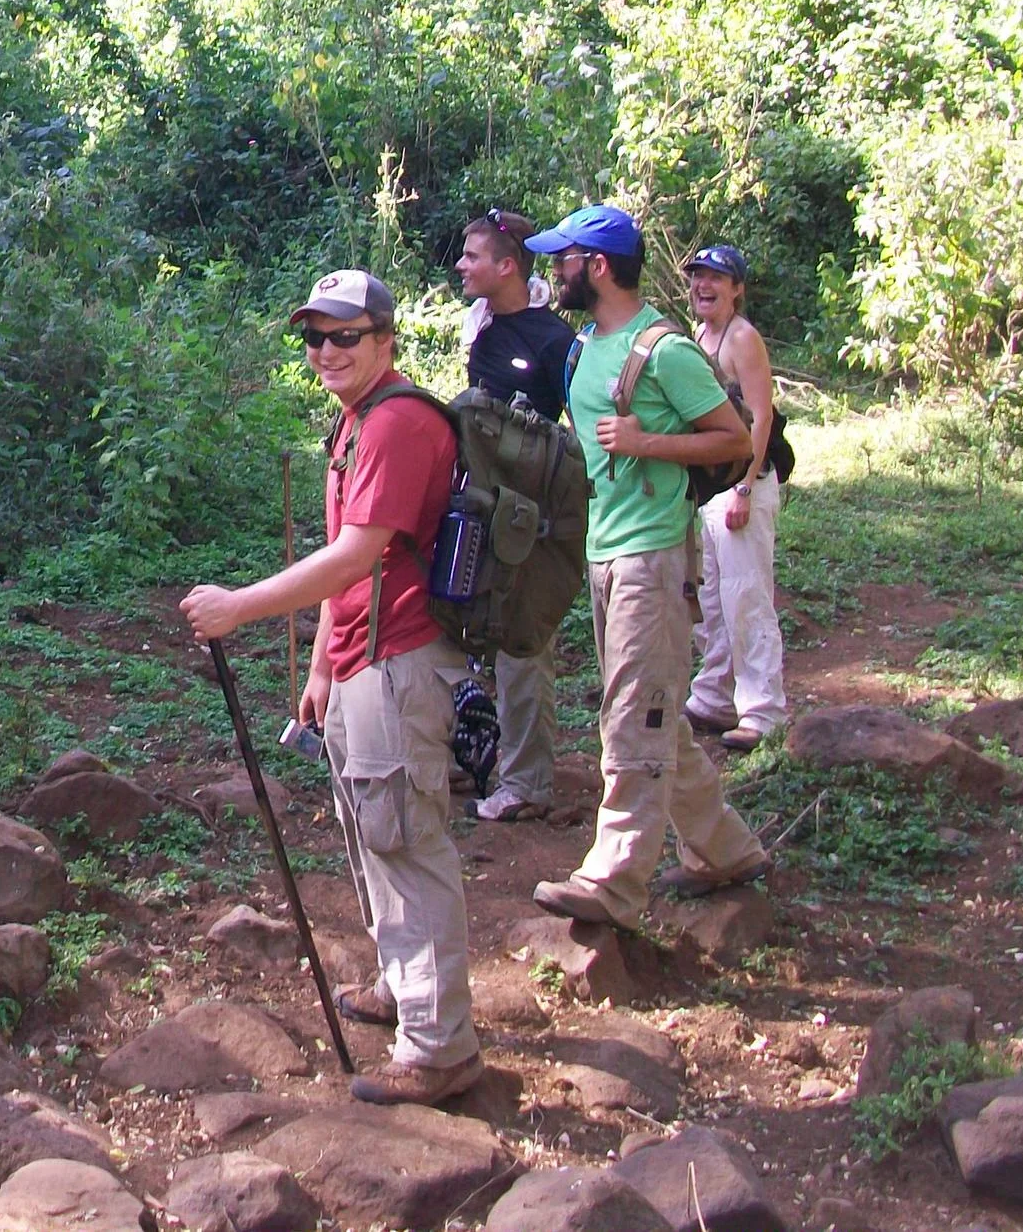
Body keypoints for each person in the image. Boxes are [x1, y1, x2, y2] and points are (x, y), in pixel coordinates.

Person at [180, 270, 483, 1108]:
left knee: (408, 843)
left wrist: (241, 606)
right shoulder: (356, 420)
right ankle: (404, 988)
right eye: (314, 337)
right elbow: (360, 571)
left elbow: (357, 554)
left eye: (344, 335)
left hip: (400, 662)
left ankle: (440, 1046)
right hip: (358, 658)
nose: (326, 352)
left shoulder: (396, 424)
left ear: (385, 339)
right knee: (372, 835)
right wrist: (320, 663)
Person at [525, 206, 769, 929]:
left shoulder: (664, 349)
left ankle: (615, 878)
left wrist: (645, 441)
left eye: (562, 259)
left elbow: (736, 436)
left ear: (596, 266)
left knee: (633, 714)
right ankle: (726, 849)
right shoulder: (583, 348)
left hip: (652, 558)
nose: (553, 272)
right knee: (655, 706)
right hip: (603, 552)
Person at [455, 211, 578, 825]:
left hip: (532, 519)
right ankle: (475, 754)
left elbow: (578, 438)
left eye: (473, 256)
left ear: (508, 266)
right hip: (481, 509)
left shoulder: (555, 341)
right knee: (470, 626)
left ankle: (527, 782)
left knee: (524, 643)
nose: (461, 265)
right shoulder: (482, 331)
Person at [682, 244, 787, 750]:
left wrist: (745, 485)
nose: (704, 285)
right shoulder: (699, 335)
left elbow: (762, 416)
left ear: (737, 288)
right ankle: (714, 696)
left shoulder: (743, 339)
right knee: (712, 597)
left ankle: (762, 710)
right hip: (711, 485)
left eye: (716, 278)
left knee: (746, 596)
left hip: (744, 482)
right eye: (698, 276)